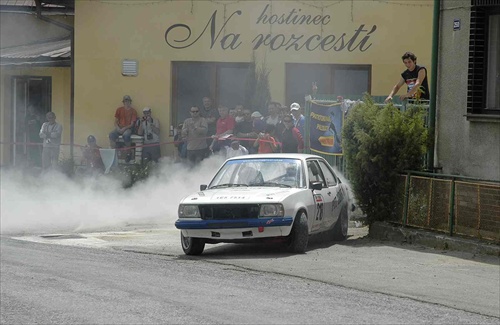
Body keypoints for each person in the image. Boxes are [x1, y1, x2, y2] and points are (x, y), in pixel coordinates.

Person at [109, 95, 138, 162]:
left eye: (128, 101)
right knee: (111, 135)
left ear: (130, 102)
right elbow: (115, 122)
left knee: (126, 135)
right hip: (119, 127)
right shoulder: (119, 110)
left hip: (128, 128)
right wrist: (118, 128)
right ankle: (113, 153)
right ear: (123, 102)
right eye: (125, 101)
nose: (127, 102)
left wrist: (124, 128)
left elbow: (132, 124)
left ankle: (128, 153)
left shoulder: (133, 111)